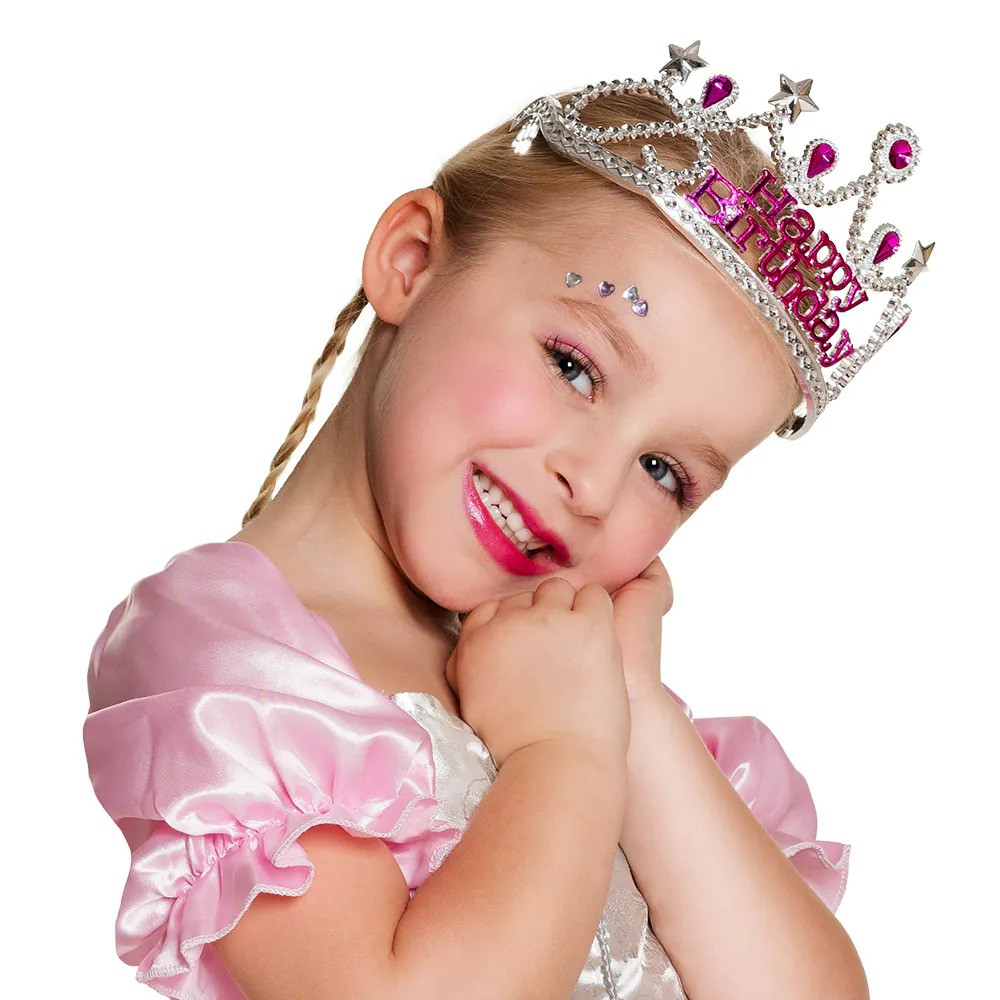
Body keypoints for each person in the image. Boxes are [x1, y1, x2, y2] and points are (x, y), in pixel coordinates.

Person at [84, 39, 930, 999]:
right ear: (411, 262)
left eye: (664, 471)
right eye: (575, 367)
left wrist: (634, 713)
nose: (593, 485)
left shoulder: (581, 683)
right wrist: (560, 754)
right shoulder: (237, 662)